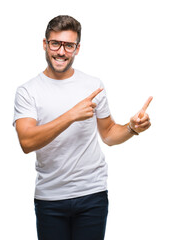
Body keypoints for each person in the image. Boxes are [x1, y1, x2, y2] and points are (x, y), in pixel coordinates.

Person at [13, 15, 152, 240]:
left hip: (92, 194)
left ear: (77, 49)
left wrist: (131, 128)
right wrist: (71, 115)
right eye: (55, 43)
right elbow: (27, 142)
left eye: (69, 45)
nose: (61, 51)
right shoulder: (28, 91)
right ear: (45, 44)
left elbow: (107, 134)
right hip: (50, 198)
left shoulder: (93, 85)